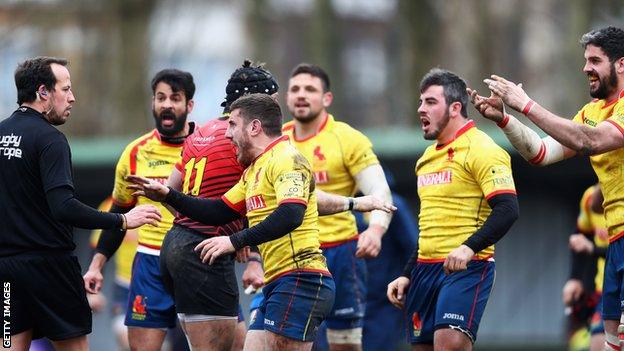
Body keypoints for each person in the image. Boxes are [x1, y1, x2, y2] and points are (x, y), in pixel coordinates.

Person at [127, 93, 396, 351]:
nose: (227, 132)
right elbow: (220, 210)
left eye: (232, 124)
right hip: (277, 282)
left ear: (254, 127)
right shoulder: (254, 169)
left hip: (302, 279)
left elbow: (291, 214)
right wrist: (169, 194)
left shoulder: (287, 158)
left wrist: (234, 241)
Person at [469, 26, 624, 349]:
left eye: (595, 60)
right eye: (585, 60)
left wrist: (525, 104)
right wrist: (505, 120)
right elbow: (540, 153)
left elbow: (589, 140)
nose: (586, 69)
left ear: (620, 64)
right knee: (611, 342)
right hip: (616, 241)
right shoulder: (591, 113)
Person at [0, 56, 161, 351]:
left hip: (7, 271)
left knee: (9, 345)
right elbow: (64, 207)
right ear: (43, 92)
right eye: (65, 88)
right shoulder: (51, 140)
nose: (72, 97)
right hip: (50, 270)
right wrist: (122, 220)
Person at [387, 68, 519, 351]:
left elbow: (508, 209)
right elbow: (429, 227)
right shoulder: (426, 158)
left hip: (466, 268)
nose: (421, 109)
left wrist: (469, 247)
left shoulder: (483, 149)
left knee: (448, 345)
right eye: (421, 102)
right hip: (423, 271)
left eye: (431, 102)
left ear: (455, 107)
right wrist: (407, 273)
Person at [160, 60, 278, 351]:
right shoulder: (247, 138)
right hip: (203, 253)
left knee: (239, 345)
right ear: (256, 103)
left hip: (180, 244)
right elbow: (265, 204)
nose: (278, 110)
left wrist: (225, 230)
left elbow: (169, 189)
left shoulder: (201, 131)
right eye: (273, 102)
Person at [83, 68, 196, 351]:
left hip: (196, 260)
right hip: (149, 263)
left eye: (175, 97)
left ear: (189, 105)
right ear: (153, 103)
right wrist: (96, 266)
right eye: (160, 97)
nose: (167, 104)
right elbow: (118, 215)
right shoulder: (135, 152)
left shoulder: (209, 147)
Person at [282, 63, 393, 351]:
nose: (301, 95)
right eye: (295, 89)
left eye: (310, 89)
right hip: (290, 255)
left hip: (342, 254)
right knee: (283, 340)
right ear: (286, 97)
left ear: (327, 98)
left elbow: (379, 191)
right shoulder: (275, 142)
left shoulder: (347, 138)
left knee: (344, 344)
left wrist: (376, 230)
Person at [356, 170, 418, 351]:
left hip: (383, 300)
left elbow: (412, 247)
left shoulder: (394, 205)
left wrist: (407, 285)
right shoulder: (348, 207)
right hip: (352, 296)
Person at [89, 197, 139, 351]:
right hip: (125, 284)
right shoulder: (110, 204)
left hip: (161, 282)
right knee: (126, 339)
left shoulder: (163, 200)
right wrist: (93, 292)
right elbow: (96, 247)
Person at [562, 185, 606, 351]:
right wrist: (574, 278)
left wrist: (593, 249)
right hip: (608, 289)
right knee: (598, 343)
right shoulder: (590, 197)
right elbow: (581, 235)